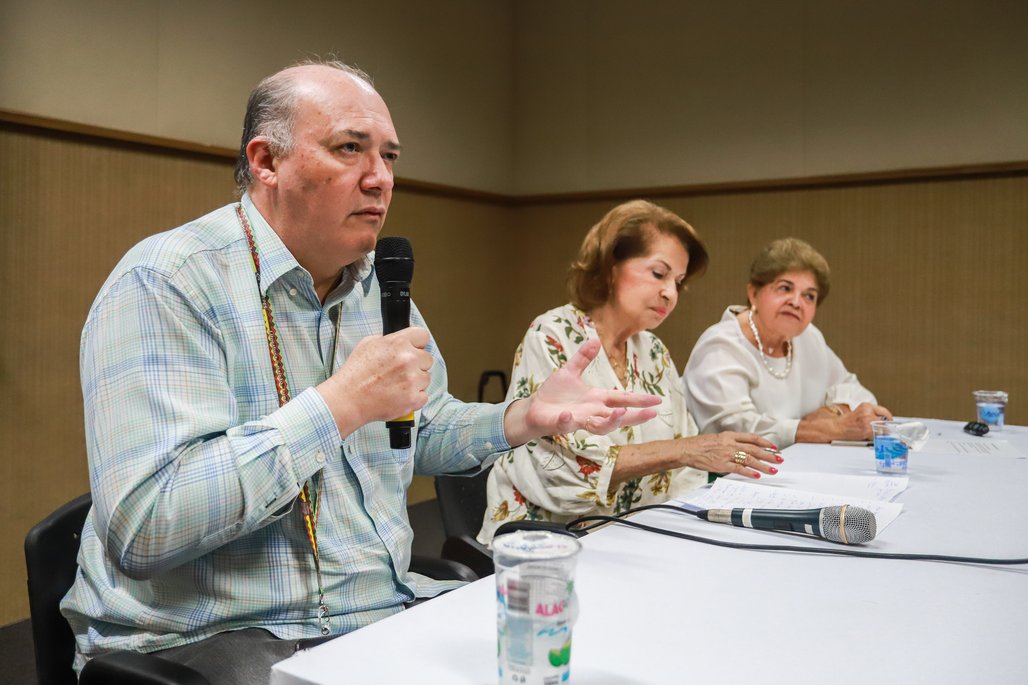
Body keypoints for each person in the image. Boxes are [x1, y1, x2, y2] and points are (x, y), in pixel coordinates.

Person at [60, 60, 662, 684]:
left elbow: (416, 429)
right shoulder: (167, 283)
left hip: (378, 607)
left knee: (590, 655)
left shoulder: (376, 284)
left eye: (390, 157)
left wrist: (521, 418)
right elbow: (147, 527)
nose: (380, 179)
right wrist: (338, 405)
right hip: (217, 634)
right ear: (266, 162)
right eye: (350, 149)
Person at [477, 200, 781, 544]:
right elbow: (567, 473)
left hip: (636, 537)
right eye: (658, 273)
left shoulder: (652, 350)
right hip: (547, 544)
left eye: (678, 282)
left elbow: (687, 467)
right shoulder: (553, 334)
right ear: (610, 266)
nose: (670, 292)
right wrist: (687, 450)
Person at [684, 237, 892, 448]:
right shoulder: (721, 347)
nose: (796, 302)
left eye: (809, 296)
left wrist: (831, 412)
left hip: (798, 467)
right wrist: (833, 429)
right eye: (784, 288)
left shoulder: (808, 338)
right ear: (753, 293)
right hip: (729, 474)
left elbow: (854, 390)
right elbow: (735, 429)